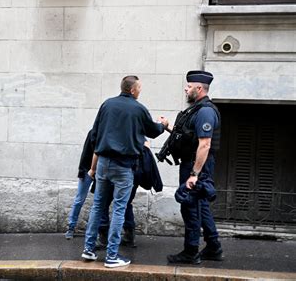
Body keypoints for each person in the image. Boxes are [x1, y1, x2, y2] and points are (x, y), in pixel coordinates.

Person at [81, 75, 168, 268]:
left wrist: (94, 166)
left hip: (103, 162)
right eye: (139, 88)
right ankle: (112, 256)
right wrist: (163, 124)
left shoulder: (107, 104)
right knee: (119, 208)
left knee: (98, 206)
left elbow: (95, 134)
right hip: (124, 165)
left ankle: (89, 249)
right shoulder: (138, 108)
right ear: (132, 90)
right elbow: (153, 131)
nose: (140, 91)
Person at [166, 70, 223, 264]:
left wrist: (194, 174)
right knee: (201, 205)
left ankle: (190, 252)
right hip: (194, 164)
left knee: (190, 206)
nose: (185, 88)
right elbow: (188, 136)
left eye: (189, 86)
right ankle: (214, 247)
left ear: (199, 88)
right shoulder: (196, 109)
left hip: (197, 166)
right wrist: (168, 127)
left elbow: (204, 144)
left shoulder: (205, 111)